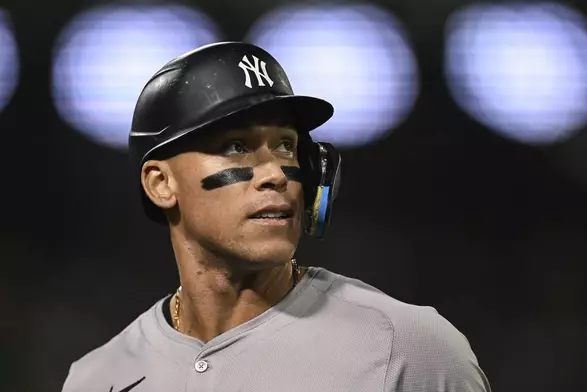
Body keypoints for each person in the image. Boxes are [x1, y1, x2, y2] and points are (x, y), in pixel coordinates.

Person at [61, 41, 491, 392]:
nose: (274, 175)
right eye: (236, 146)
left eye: (285, 145)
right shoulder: (98, 378)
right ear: (161, 184)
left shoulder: (410, 349)